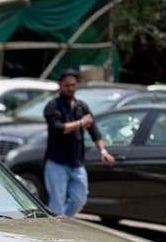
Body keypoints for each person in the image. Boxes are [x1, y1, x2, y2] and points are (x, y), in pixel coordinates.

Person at [42, 70, 115, 215]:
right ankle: (57, 229)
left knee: (79, 199)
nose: (70, 88)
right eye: (67, 85)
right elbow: (58, 129)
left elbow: (94, 130)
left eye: (73, 85)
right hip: (57, 162)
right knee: (57, 202)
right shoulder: (53, 106)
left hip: (76, 162)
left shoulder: (81, 106)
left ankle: (64, 222)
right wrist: (81, 123)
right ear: (60, 86)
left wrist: (103, 151)